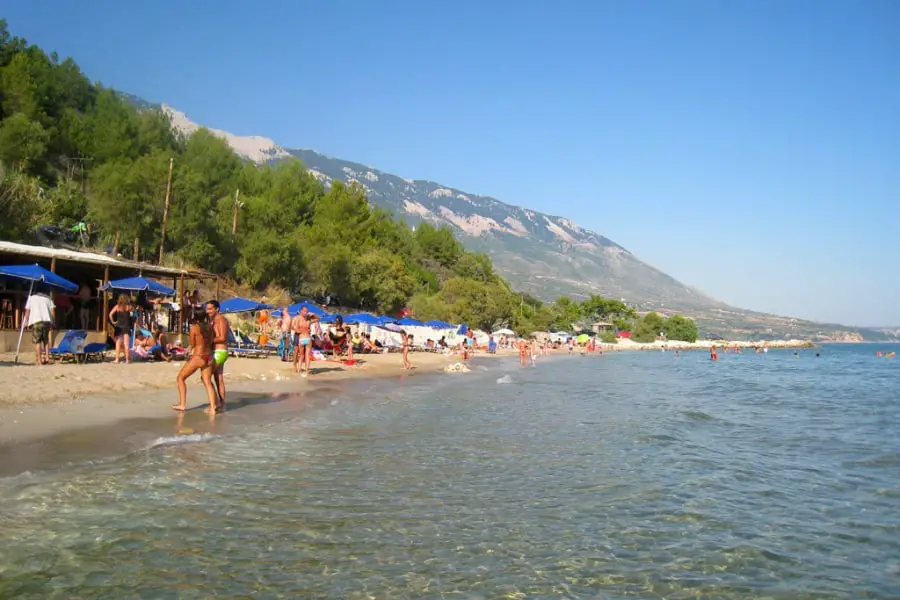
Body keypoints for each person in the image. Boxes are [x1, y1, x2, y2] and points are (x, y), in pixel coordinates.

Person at [173, 309, 218, 414]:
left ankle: (182, 404)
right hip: (209, 356)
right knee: (207, 382)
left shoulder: (194, 328)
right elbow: (211, 341)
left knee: (180, 378)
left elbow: (193, 344)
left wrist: (188, 349)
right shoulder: (210, 327)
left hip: (199, 356)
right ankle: (212, 408)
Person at [205, 300, 229, 410]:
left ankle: (214, 404)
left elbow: (223, 337)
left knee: (205, 377)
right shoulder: (213, 320)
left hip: (219, 352)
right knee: (218, 379)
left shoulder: (221, 320)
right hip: (218, 352)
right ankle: (222, 404)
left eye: (210, 309)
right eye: (207, 309)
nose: (207, 311)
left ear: (217, 309)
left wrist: (208, 340)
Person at [23, 286, 55, 365]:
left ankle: (39, 360)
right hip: (46, 321)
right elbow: (52, 311)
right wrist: (53, 321)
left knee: (37, 341)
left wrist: (26, 322)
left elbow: (27, 311)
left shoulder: (31, 298)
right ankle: (47, 358)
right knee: (46, 340)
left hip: (37, 321)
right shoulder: (48, 298)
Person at [291, 305, 319, 376]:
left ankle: (303, 369)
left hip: (304, 337)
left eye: (306, 311)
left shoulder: (308, 319)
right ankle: (295, 366)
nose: (306, 313)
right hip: (299, 336)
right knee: (296, 352)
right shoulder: (296, 318)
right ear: (301, 311)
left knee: (303, 355)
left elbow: (318, 318)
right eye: (305, 311)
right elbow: (292, 326)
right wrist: (297, 330)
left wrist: (313, 314)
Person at [108, 294, 134, 364]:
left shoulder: (117, 306)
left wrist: (113, 322)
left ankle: (117, 359)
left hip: (119, 327)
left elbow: (110, 314)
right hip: (127, 326)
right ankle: (127, 360)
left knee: (118, 344)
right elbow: (133, 316)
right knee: (126, 344)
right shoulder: (129, 307)